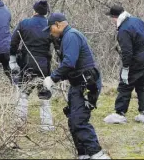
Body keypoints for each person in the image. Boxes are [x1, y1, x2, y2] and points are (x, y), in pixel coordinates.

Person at [42, 13, 110, 159]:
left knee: (79, 121)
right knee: (73, 121)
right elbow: (71, 68)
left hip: (86, 84)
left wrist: (52, 79)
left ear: (58, 24)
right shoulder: (66, 37)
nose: (50, 32)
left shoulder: (71, 36)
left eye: (51, 28)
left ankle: (98, 155)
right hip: (77, 84)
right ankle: (84, 155)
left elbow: (69, 63)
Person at [9, 0, 55, 131]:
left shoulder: (24, 23)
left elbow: (13, 43)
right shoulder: (50, 25)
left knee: (23, 93)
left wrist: (12, 59)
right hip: (44, 65)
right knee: (45, 94)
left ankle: (19, 122)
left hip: (27, 63)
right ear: (46, 12)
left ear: (34, 11)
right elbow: (57, 45)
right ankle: (47, 124)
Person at [104, 5, 144, 124]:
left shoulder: (123, 30)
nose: (111, 20)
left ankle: (119, 113)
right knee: (143, 85)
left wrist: (126, 68)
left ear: (115, 17)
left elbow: (127, 52)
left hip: (136, 60)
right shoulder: (137, 20)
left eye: (111, 18)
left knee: (125, 85)